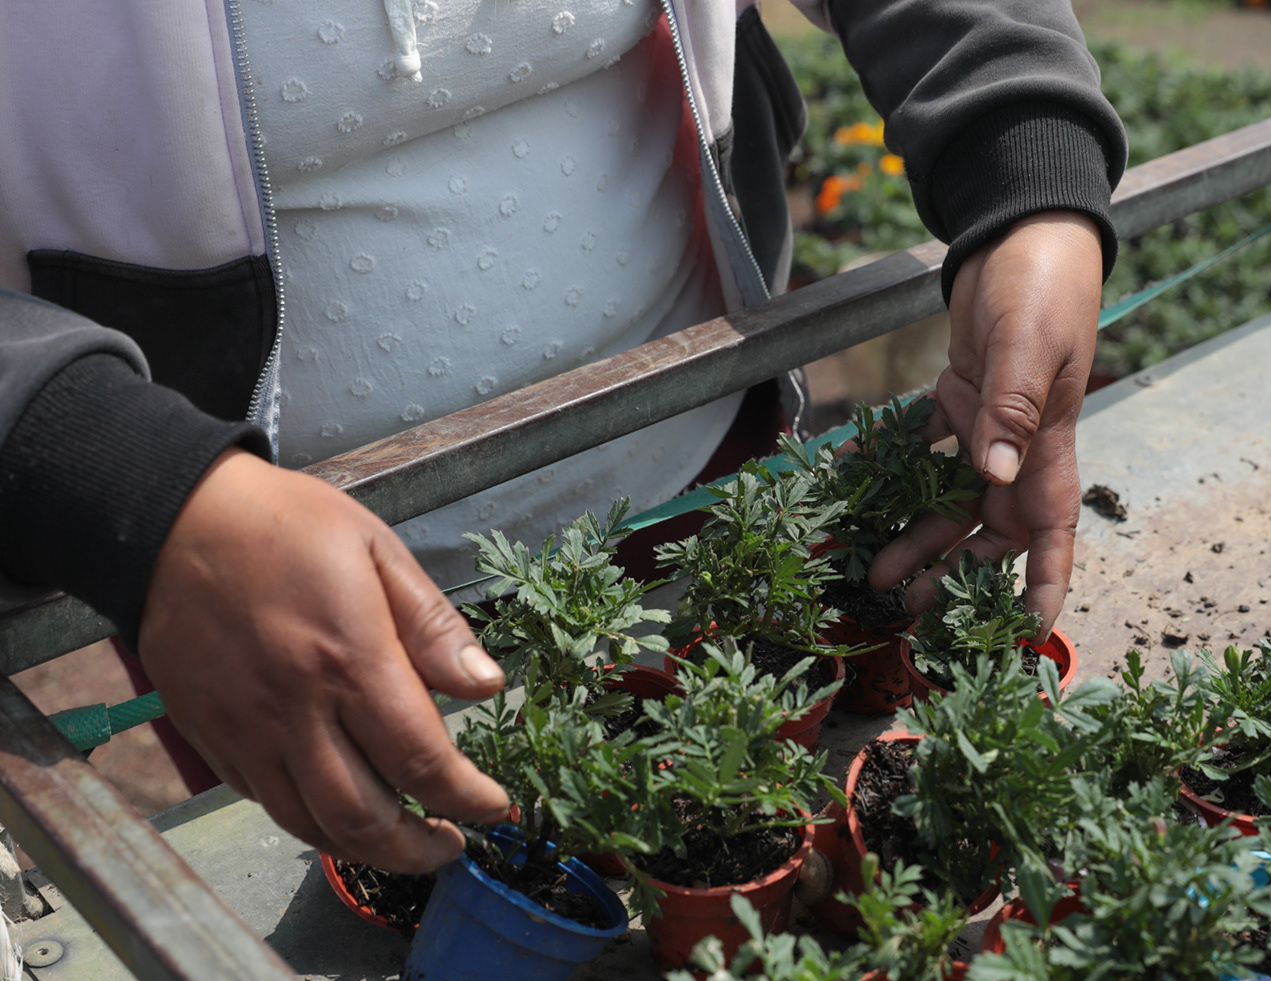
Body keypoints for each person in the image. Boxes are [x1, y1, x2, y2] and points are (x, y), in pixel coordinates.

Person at [0, 0, 1123, 873]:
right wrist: (129, 482)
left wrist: (1028, 171)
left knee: (742, 847)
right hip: (268, 597)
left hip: (704, 487)